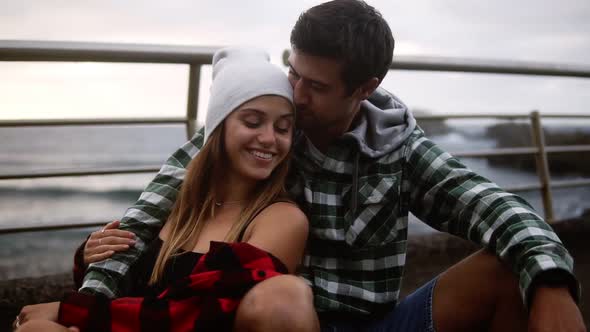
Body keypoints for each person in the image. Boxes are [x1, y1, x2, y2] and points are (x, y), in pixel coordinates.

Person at [30, 1, 586, 331]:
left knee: (515, 269)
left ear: (365, 89)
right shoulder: (256, 129)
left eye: (314, 86)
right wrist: (82, 307)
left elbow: (494, 205)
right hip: (273, 318)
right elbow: (141, 223)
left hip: (378, 326)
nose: (292, 96)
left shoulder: (400, 151)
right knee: (283, 299)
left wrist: (553, 283)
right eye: (292, 71)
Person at [14, 47, 312, 331]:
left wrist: (73, 310)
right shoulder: (176, 203)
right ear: (217, 127)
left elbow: (198, 310)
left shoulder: (281, 219)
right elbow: (136, 286)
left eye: (283, 128)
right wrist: (90, 257)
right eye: (253, 122)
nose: (269, 138)